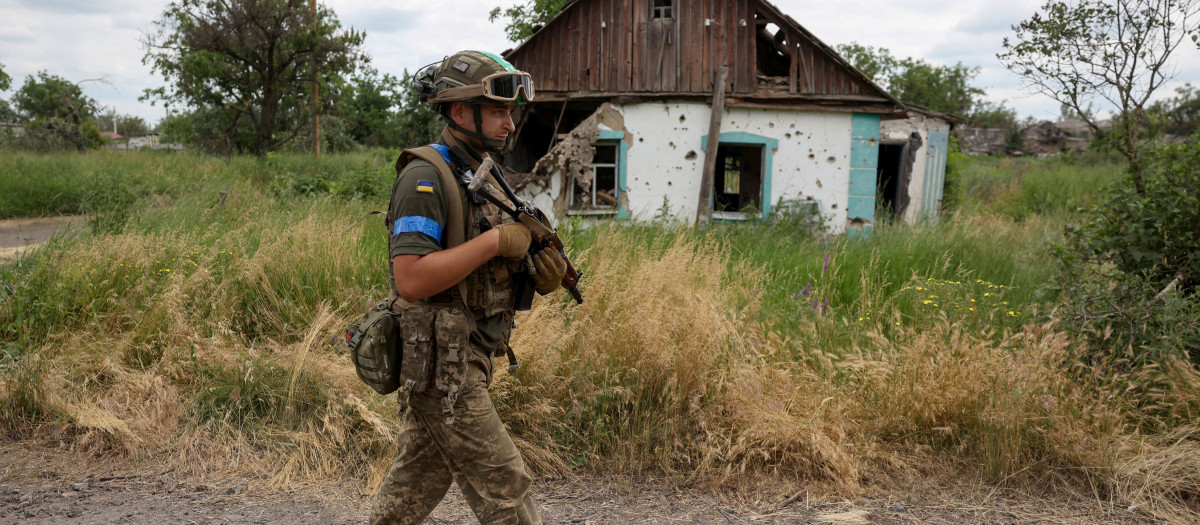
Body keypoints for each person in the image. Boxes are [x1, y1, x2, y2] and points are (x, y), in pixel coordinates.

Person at [370, 50, 566, 525]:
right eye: (498, 111)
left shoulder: (481, 169)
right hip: (445, 365)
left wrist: (536, 262)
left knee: (413, 489)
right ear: (459, 111)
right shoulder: (424, 177)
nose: (510, 124)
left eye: (511, 112)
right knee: (506, 488)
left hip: (467, 353)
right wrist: (497, 242)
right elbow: (412, 279)